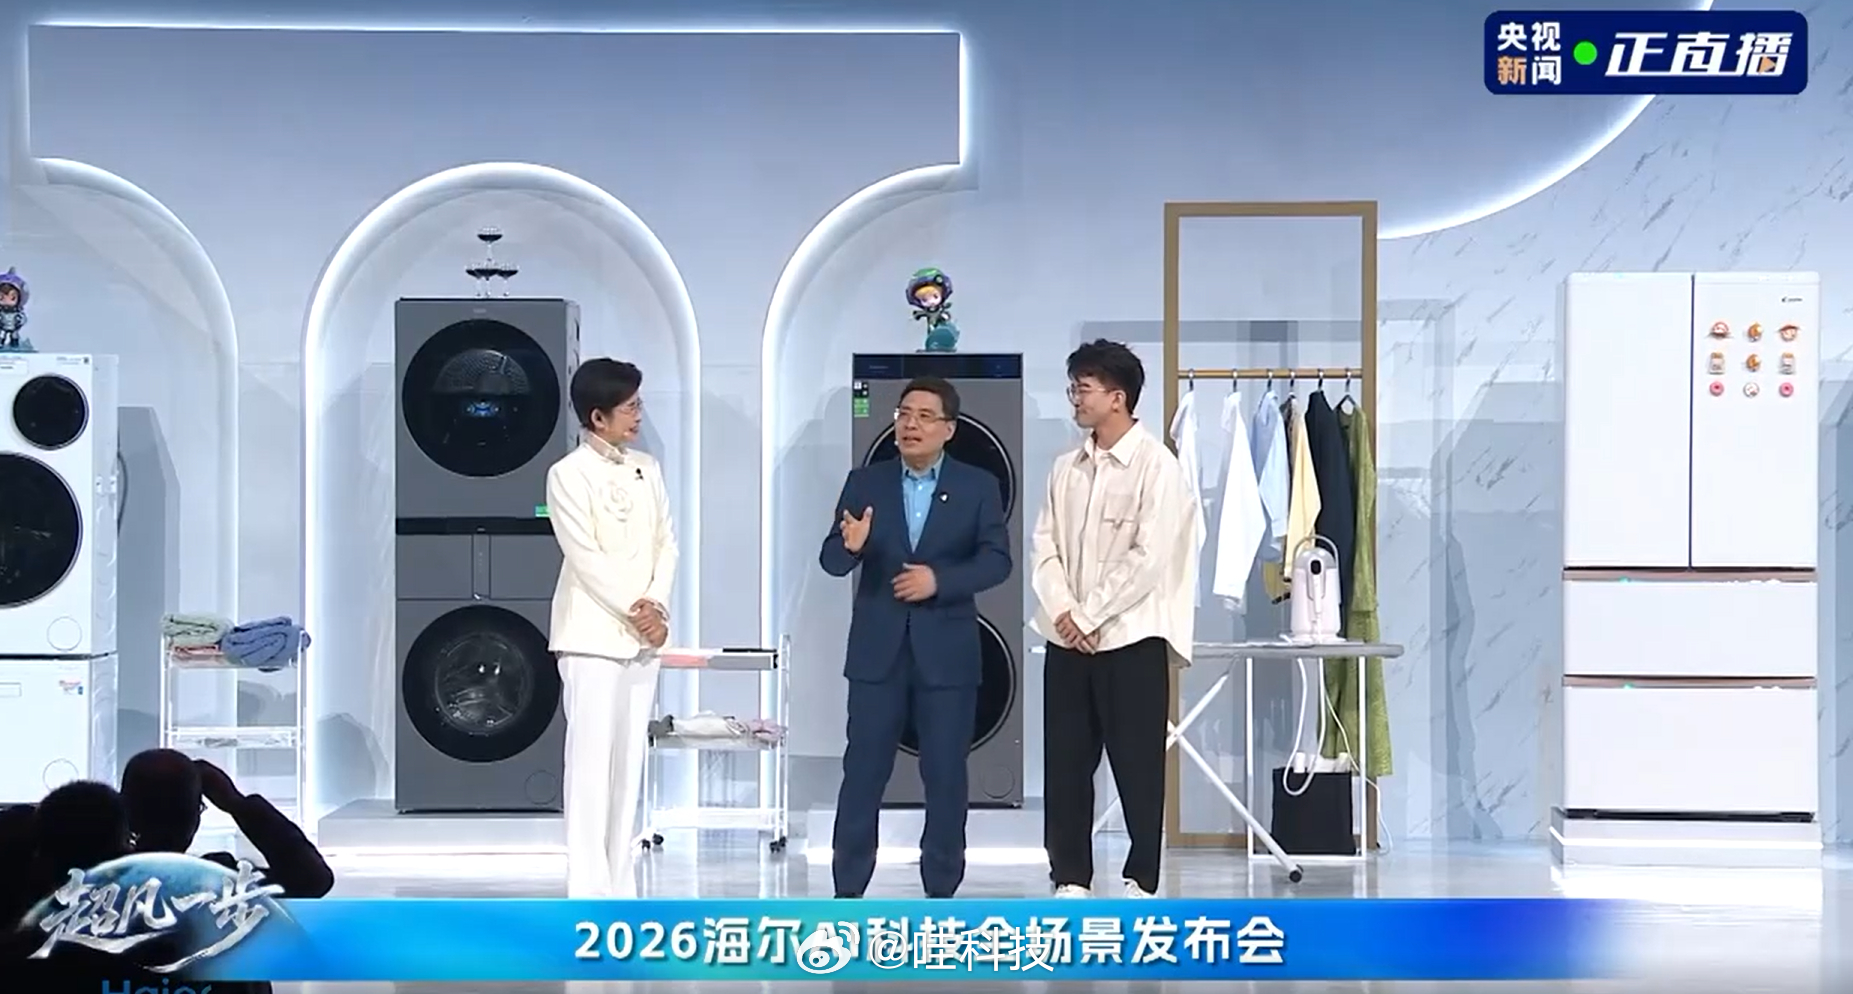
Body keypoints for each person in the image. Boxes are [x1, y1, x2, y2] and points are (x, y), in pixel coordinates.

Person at [819, 375, 1012, 898]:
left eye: (925, 416)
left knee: (945, 774)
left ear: (949, 428)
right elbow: (831, 560)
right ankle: (848, 890)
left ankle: (941, 890)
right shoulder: (866, 482)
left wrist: (939, 581)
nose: (911, 425)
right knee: (863, 772)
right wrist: (853, 546)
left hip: (947, 655)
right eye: (904, 414)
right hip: (877, 654)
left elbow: (997, 561)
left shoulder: (977, 486)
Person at [1031, 339, 1199, 899]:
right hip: (1067, 640)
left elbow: (1149, 557)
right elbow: (1044, 547)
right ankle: (1070, 875)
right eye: (1074, 388)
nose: (1075, 399)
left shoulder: (1158, 467)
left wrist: (1090, 613)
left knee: (1137, 765)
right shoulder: (1065, 468)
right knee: (1066, 765)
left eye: (1084, 388)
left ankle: (1141, 877)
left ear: (1118, 397)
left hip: (1131, 639)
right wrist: (1064, 612)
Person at [546, 357, 676, 898]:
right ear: (597, 417)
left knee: (627, 768)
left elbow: (666, 544)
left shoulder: (647, 468)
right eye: (629, 407)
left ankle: (620, 886)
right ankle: (587, 890)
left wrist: (657, 606)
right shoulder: (567, 474)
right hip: (591, 638)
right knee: (590, 767)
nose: (638, 415)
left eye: (638, 404)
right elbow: (585, 557)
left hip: (644, 641)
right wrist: (635, 609)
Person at [121, 748, 334, 898]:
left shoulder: (106, 879)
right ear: (194, 819)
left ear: (125, 810)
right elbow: (313, 879)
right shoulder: (218, 883)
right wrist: (236, 803)